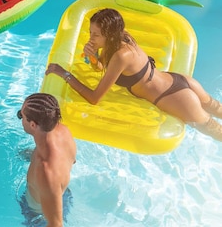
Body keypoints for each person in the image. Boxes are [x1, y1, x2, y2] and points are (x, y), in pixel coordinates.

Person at [46, 8, 222, 141]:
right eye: (90, 32)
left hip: (175, 97)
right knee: (215, 108)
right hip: (180, 81)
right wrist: (92, 57)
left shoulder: (122, 56)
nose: (91, 38)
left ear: (109, 35)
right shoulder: (120, 38)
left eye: (96, 34)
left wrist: (64, 74)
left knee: (214, 131)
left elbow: (94, 98)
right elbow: (101, 68)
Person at [9, 93, 76, 227]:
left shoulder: (45, 171)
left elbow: (56, 225)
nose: (20, 118)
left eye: (21, 116)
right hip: (61, 194)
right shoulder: (63, 131)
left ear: (33, 125)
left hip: (40, 216)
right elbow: (71, 160)